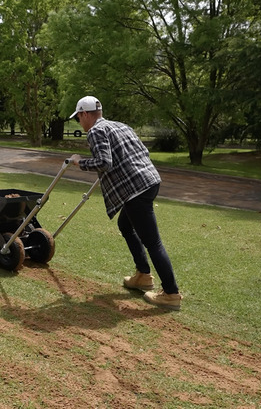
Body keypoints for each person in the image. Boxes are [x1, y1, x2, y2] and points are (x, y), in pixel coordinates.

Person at [67, 96, 182, 310]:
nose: (79, 123)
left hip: (135, 191)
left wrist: (78, 162)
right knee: (125, 225)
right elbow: (140, 152)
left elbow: (104, 162)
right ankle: (143, 276)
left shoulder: (95, 131)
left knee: (153, 242)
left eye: (78, 118)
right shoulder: (120, 126)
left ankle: (171, 293)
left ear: (84, 114)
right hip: (149, 181)